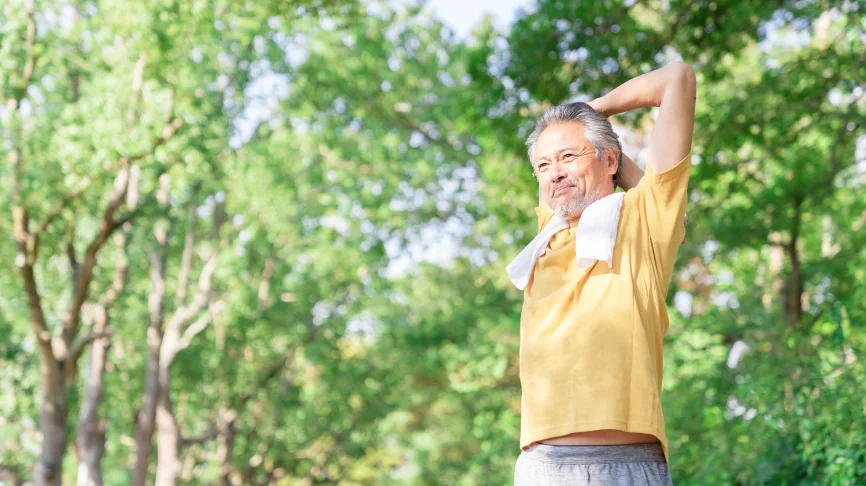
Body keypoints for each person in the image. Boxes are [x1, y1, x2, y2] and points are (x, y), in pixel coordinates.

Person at [509, 61, 696, 486]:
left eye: (568, 156)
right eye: (543, 165)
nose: (555, 172)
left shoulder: (644, 221)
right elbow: (562, 175)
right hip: (541, 469)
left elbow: (677, 79)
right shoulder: (548, 231)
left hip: (624, 465)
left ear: (610, 159)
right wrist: (578, 138)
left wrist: (592, 111)